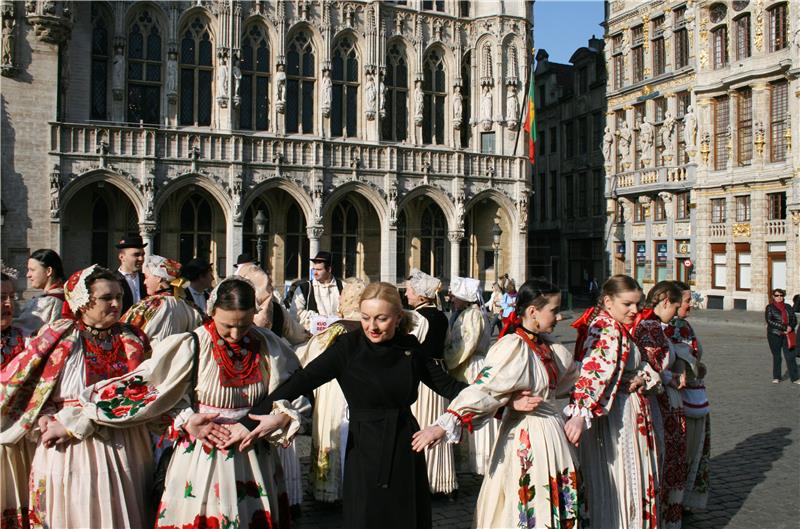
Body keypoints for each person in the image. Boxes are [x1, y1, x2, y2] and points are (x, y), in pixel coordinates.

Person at [75, 277, 304, 529]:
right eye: (227, 326)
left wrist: (281, 416)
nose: (236, 334)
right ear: (212, 311)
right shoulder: (191, 345)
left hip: (254, 454)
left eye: (245, 324)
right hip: (203, 453)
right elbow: (152, 390)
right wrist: (186, 419)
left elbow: (297, 389)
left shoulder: (269, 345)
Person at [237, 282, 470, 529]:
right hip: (364, 448)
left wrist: (496, 399)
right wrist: (248, 420)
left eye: (381, 319)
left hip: (405, 445)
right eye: (366, 317)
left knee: (406, 517)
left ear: (398, 317)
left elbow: (450, 387)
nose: (372, 326)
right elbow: (302, 380)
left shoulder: (409, 347)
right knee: (367, 516)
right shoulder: (347, 348)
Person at [414, 278, 587, 528]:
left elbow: (578, 380)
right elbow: (484, 389)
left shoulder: (552, 349)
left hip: (554, 436)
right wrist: (444, 424)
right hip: (528, 435)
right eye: (554, 310)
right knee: (528, 501)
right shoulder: (513, 347)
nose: (559, 317)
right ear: (532, 312)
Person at [1, 265, 151, 528]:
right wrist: (45, 416)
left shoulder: (132, 338)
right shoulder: (60, 335)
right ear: (83, 301)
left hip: (123, 439)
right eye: (106, 298)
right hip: (68, 444)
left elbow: (147, 388)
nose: (116, 303)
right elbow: (32, 384)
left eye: (119, 296)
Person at [564, 274, 661, 529]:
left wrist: (642, 377)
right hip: (617, 414)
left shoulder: (616, 326)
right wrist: (581, 411)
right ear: (608, 301)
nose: (635, 310)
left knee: (626, 474)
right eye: (627, 304)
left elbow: (641, 365)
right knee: (622, 474)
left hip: (628, 407)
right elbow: (595, 371)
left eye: (638, 304)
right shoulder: (605, 327)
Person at [293, 278, 366, 503]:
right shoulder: (370, 326)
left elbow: (309, 358)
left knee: (334, 430)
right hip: (361, 388)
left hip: (334, 388)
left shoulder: (336, 329)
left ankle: (332, 488)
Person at [632, 281, 688, 529]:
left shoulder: (657, 326)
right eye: (675, 306)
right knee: (663, 458)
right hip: (660, 402)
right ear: (665, 302)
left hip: (666, 396)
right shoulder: (651, 327)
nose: (676, 313)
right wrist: (669, 375)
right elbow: (653, 367)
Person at [404, 268, 458, 498]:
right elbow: (445, 345)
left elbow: (410, 347)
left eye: (409, 291)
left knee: (424, 422)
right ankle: (442, 480)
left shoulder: (417, 317)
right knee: (437, 421)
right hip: (440, 371)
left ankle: (426, 480)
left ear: (420, 294)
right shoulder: (440, 316)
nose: (406, 295)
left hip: (424, 376)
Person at [444, 276, 497, 475]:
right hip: (466, 365)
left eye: (456, 296)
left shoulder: (473, 315)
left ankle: (478, 462)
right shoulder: (465, 313)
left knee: (471, 406)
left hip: (471, 365)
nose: (452, 300)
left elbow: (466, 344)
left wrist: (447, 357)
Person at [665, 281, 710, 512]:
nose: (691, 306)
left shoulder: (682, 325)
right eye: (687, 301)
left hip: (691, 395)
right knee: (686, 450)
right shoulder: (677, 326)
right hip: (682, 398)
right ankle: (677, 500)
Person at [0, 268, 35, 528]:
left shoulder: (26, 341)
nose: (9, 304)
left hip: (17, 442)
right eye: (1, 298)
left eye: (12, 297)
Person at [121, 255, 202, 346]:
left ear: (158, 277)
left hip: (152, 358)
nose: (144, 282)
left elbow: (123, 330)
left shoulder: (149, 304)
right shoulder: (190, 306)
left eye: (147, 277)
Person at [238, 263, 309, 346]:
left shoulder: (276, 310)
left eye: (268, 284)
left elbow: (296, 333)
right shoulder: (232, 309)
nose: (269, 289)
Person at [14, 249, 66, 335]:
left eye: (32, 270)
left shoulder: (46, 302)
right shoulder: (67, 296)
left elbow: (20, 331)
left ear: (48, 271)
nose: (28, 275)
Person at [291, 251, 343, 332]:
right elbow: (295, 314)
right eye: (314, 269)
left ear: (329, 269)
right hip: (312, 338)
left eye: (319, 269)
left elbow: (351, 313)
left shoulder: (343, 287)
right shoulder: (304, 289)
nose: (315, 273)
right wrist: (320, 319)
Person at [764, 288, 798, 383]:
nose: (779, 297)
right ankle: (777, 377)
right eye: (777, 295)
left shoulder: (788, 307)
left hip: (788, 335)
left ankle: (795, 378)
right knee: (777, 356)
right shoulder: (769, 307)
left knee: (790, 356)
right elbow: (769, 321)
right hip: (774, 334)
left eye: (781, 295)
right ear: (773, 297)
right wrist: (784, 327)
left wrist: (791, 327)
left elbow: (794, 319)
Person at [114, 236, 147, 315]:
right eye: (136, 255)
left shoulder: (147, 279)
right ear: (122, 257)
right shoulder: (112, 280)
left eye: (143, 255)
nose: (141, 259)